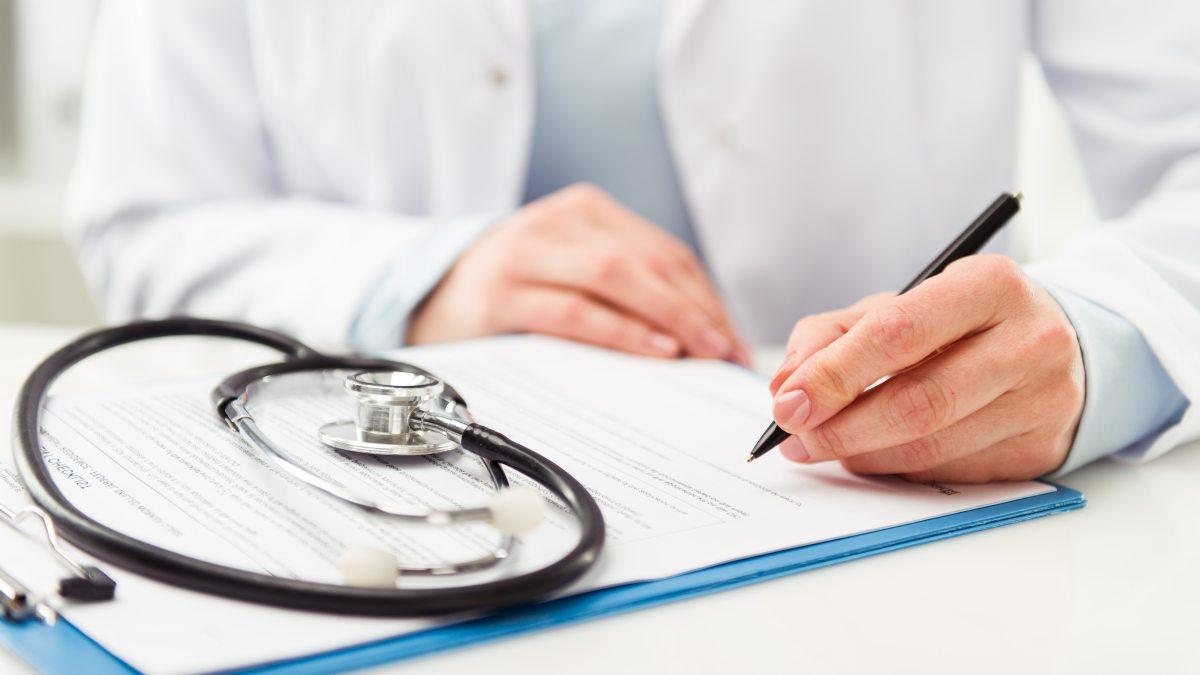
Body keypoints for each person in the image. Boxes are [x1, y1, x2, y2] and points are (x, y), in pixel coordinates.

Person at [67, 1, 1197, 483]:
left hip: (882, 532)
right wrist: (419, 281)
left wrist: (1102, 345)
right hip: (382, 527)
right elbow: (148, 216)